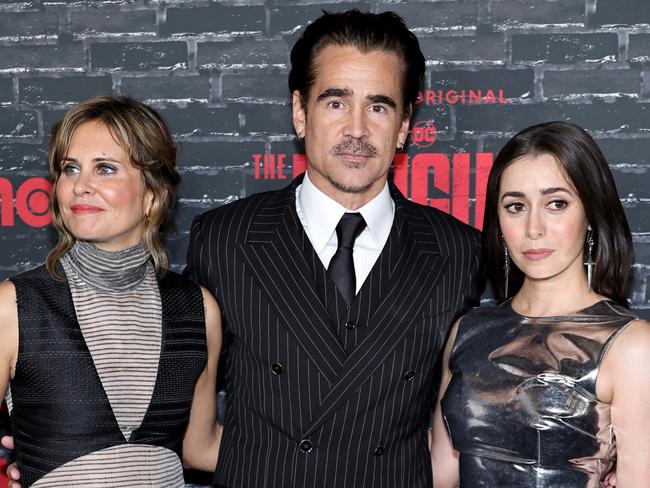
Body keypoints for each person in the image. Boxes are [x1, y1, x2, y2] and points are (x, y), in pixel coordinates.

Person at [184, 9, 482, 488]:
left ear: (405, 125)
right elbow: (174, 394)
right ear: (300, 112)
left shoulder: (457, 251)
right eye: (337, 103)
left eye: (379, 107)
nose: (358, 131)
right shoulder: (225, 238)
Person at [0, 96, 222, 487]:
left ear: (151, 196)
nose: (80, 186)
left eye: (105, 168)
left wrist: (336, 455)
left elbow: (200, 448)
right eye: (70, 169)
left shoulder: (197, 309)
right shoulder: (14, 306)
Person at [430, 121, 650, 487]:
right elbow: (441, 474)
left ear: (591, 215)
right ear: (499, 222)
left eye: (556, 204)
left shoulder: (632, 347)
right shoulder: (467, 332)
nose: (534, 227)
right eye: (516, 206)